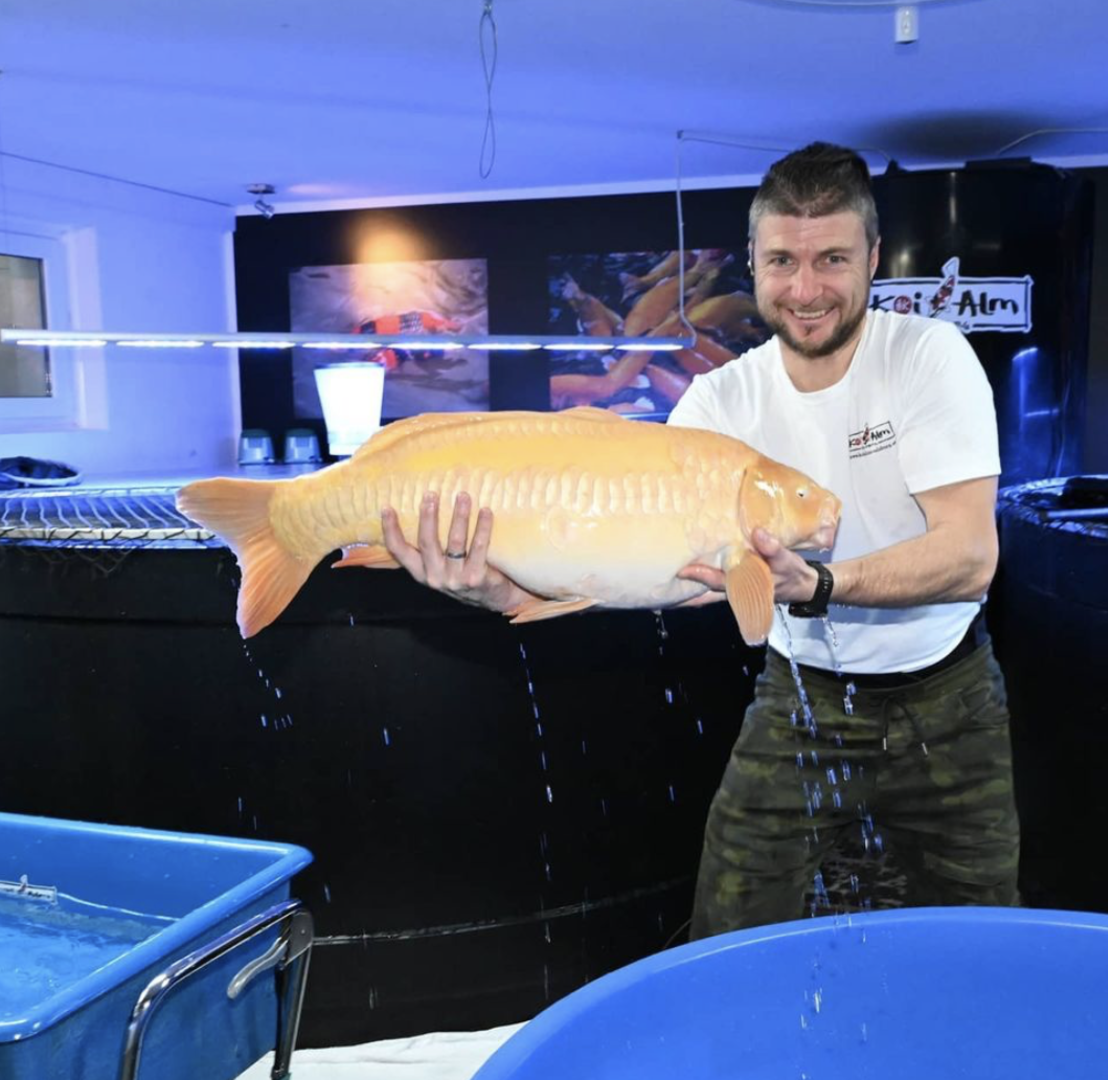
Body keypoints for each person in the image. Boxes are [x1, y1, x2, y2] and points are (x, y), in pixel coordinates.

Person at [379, 141, 1020, 940]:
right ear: (752, 260)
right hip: (801, 693)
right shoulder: (717, 405)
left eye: (831, 259)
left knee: (977, 933)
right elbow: (663, 575)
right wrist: (503, 591)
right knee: (728, 915)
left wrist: (818, 584)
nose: (805, 289)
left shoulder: (926, 356)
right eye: (782, 260)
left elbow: (969, 557)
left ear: (873, 258)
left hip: (946, 695)